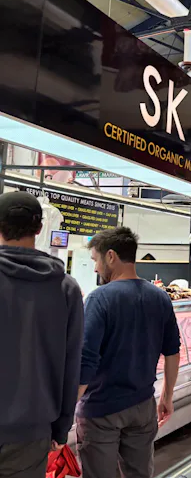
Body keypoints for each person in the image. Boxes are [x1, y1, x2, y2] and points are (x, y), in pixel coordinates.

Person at [76, 227, 182, 478]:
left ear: (111, 256)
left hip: (101, 409)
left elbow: (86, 360)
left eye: (95, 260)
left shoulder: (99, 298)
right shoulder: (160, 297)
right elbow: (172, 351)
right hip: (143, 406)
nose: (95, 268)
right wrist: (167, 397)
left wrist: (68, 407)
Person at [0, 192, 84, 478]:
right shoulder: (66, 288)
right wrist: (61, 428)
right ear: (39, 229)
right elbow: (71, 364)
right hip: (30, 434)